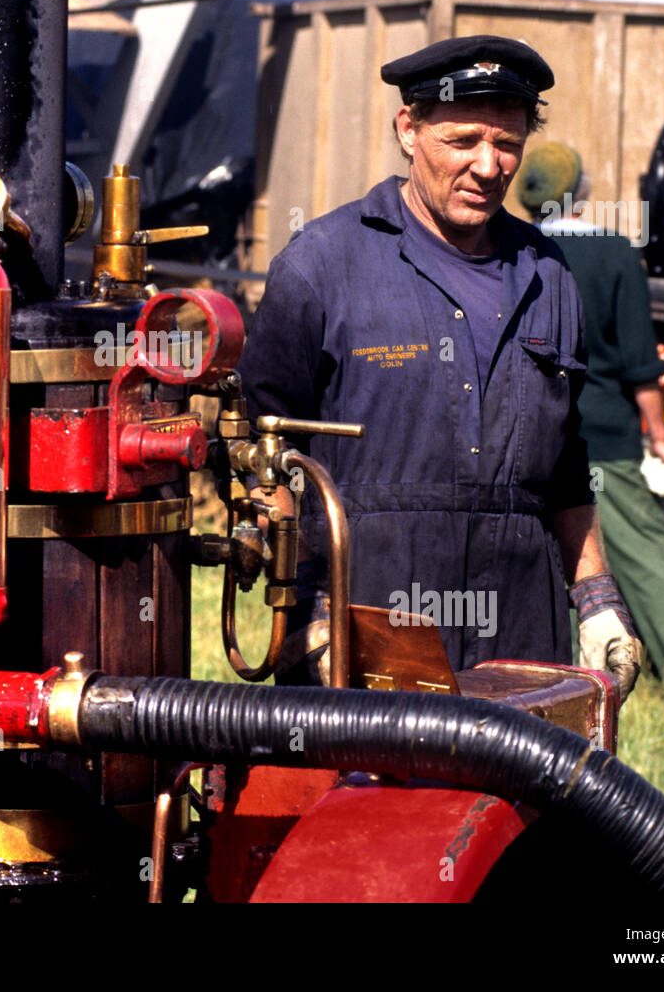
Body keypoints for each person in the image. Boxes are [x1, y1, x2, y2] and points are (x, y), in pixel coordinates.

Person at [239, 34, 641, 700]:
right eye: (463, 141)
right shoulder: (321, 266)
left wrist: (596, 597)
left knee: (511, 808)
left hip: (520, 634)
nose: (490, 165)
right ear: (409, 128)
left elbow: (567, 469)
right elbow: (263, 448)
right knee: (370, 806)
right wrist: (307, 599)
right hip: (369, 624)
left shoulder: (549, 274)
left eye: (507, 143)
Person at [515, 144, 664, 707]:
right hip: (605, 441)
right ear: (581, 190)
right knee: (648, 563)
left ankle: (552, 693)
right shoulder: (612, 251)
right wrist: (661, 438)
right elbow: (641, 363)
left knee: (539, 572)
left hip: (531, 437)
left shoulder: (511, 248)